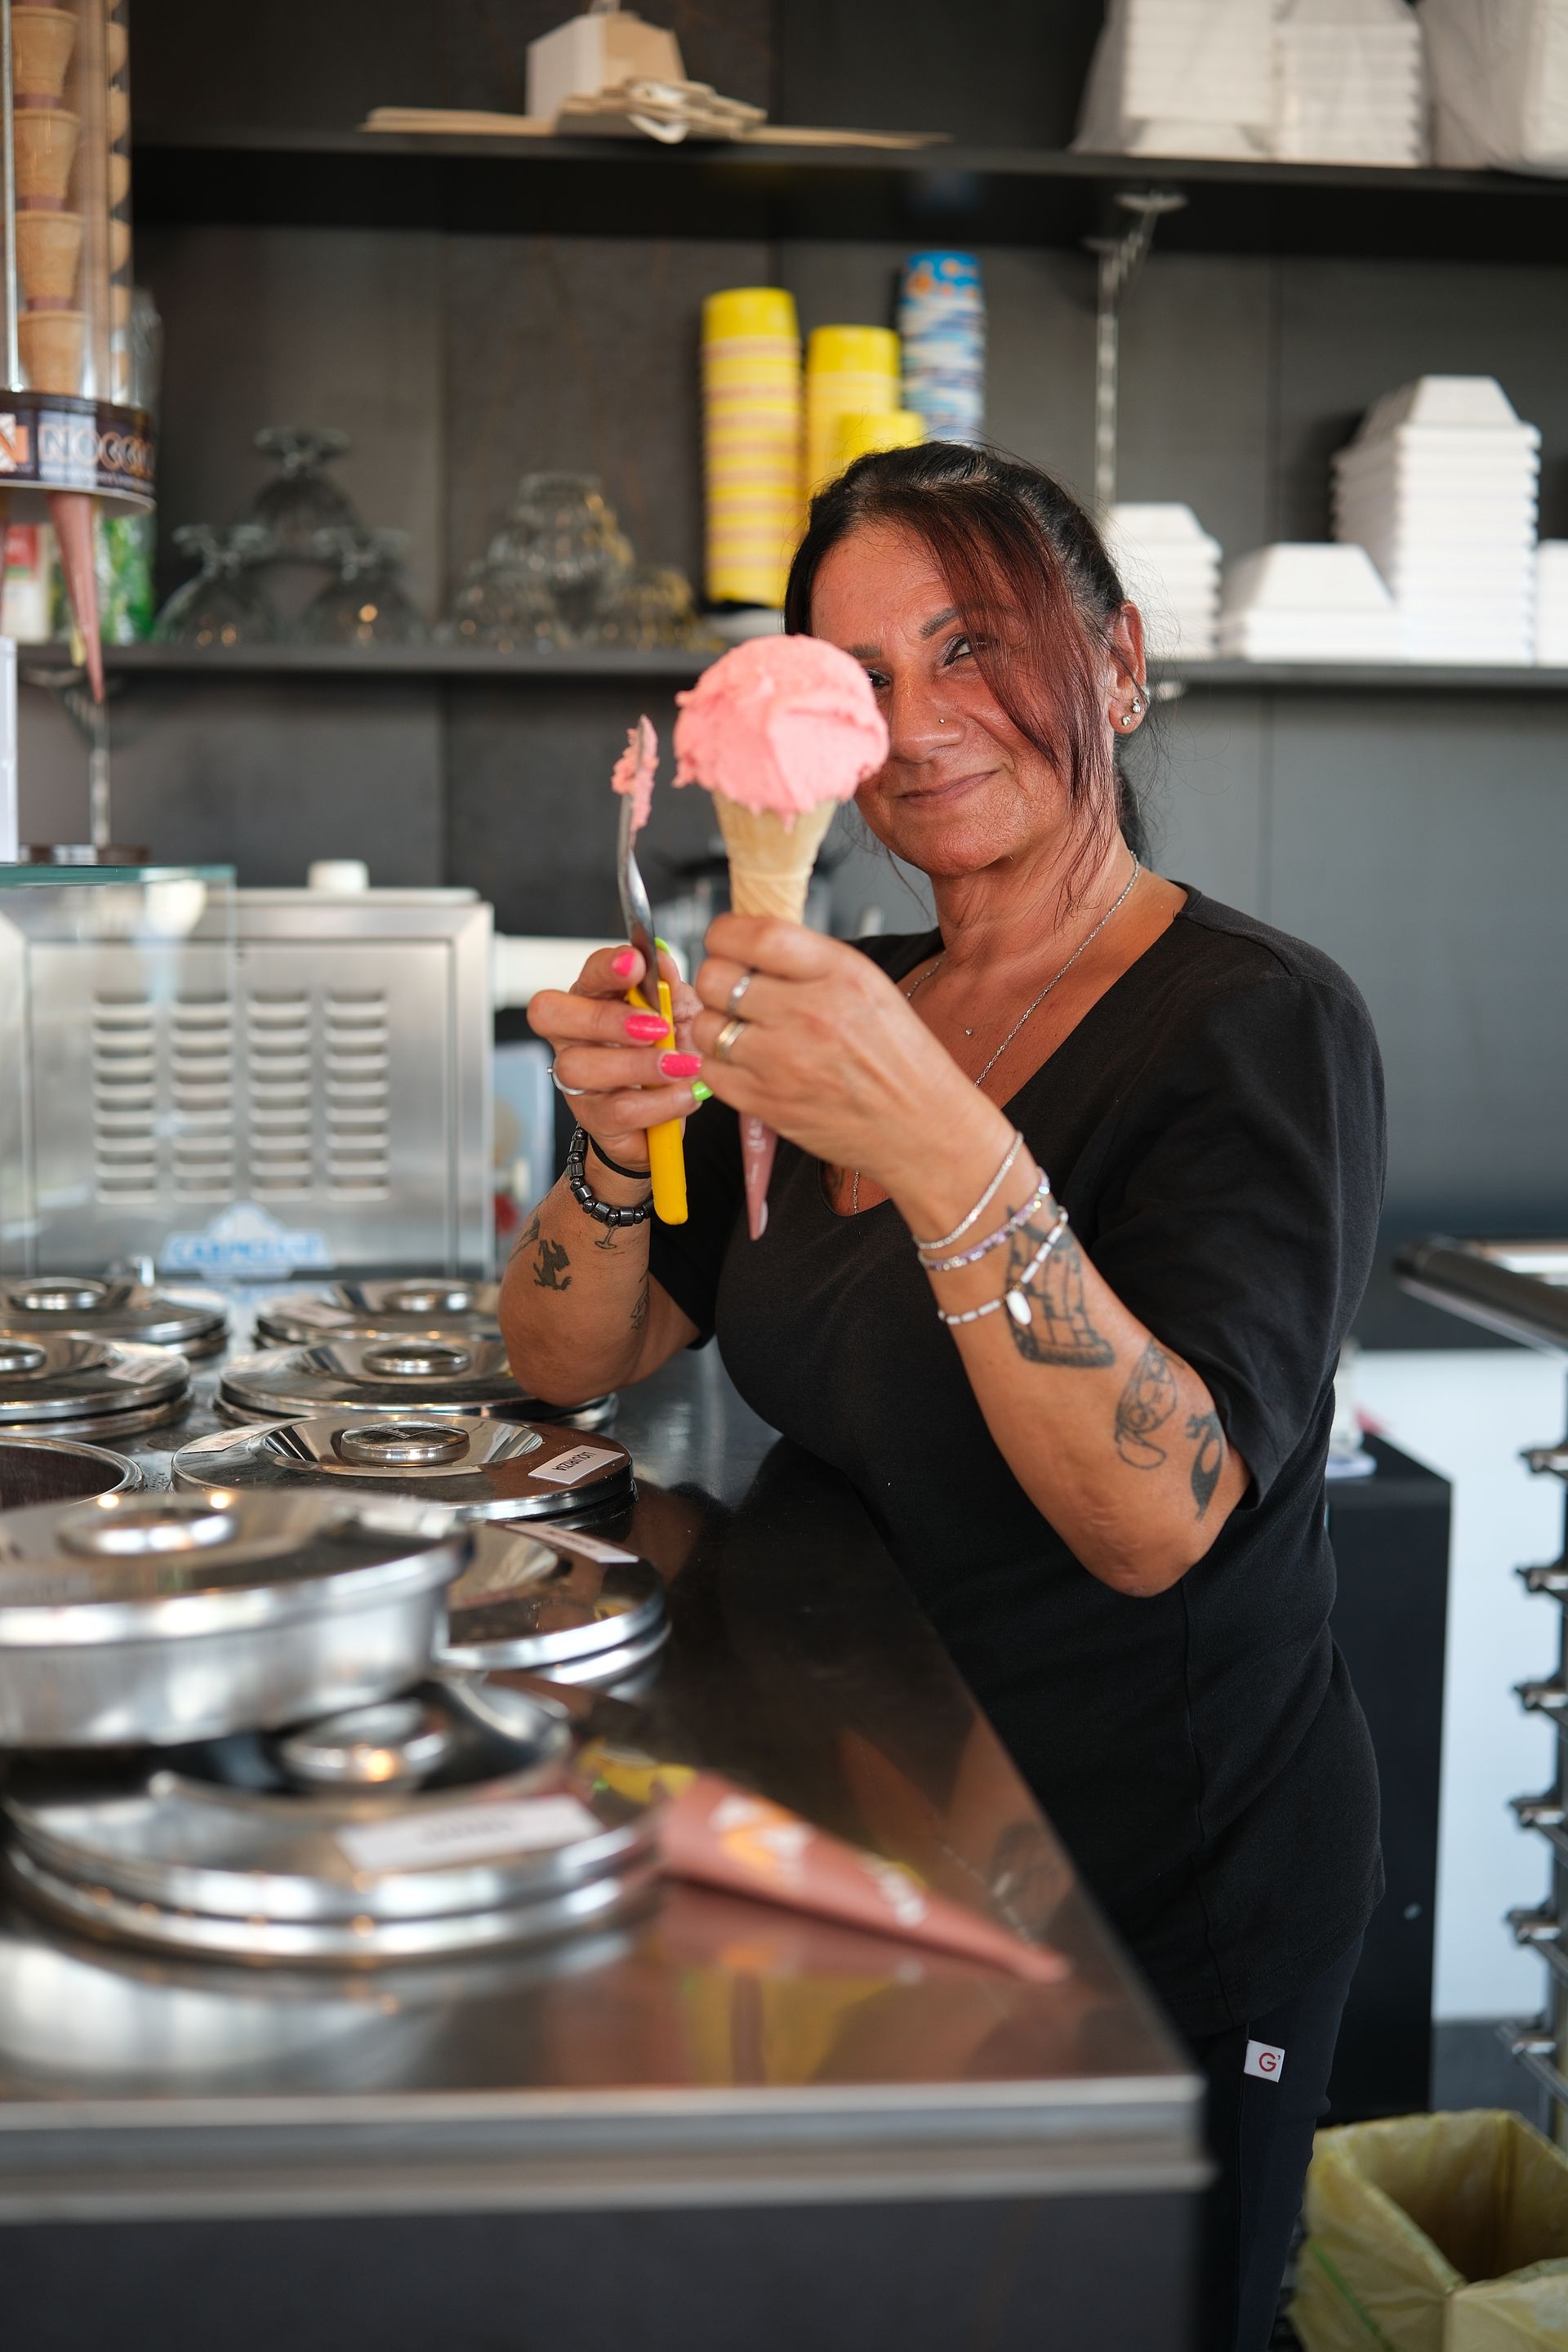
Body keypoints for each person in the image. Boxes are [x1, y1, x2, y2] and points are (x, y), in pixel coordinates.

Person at [505, 442, 1384, 2351]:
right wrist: (604, 1141)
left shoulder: (1254, 1022)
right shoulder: (833, 995)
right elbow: (565, 1360)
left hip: (1162, 1874)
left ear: (1121, 661)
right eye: (859, 679)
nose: (912, 728)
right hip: (884, 1835)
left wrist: (939, 1139)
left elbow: (1161, 1521)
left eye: (971, 646)